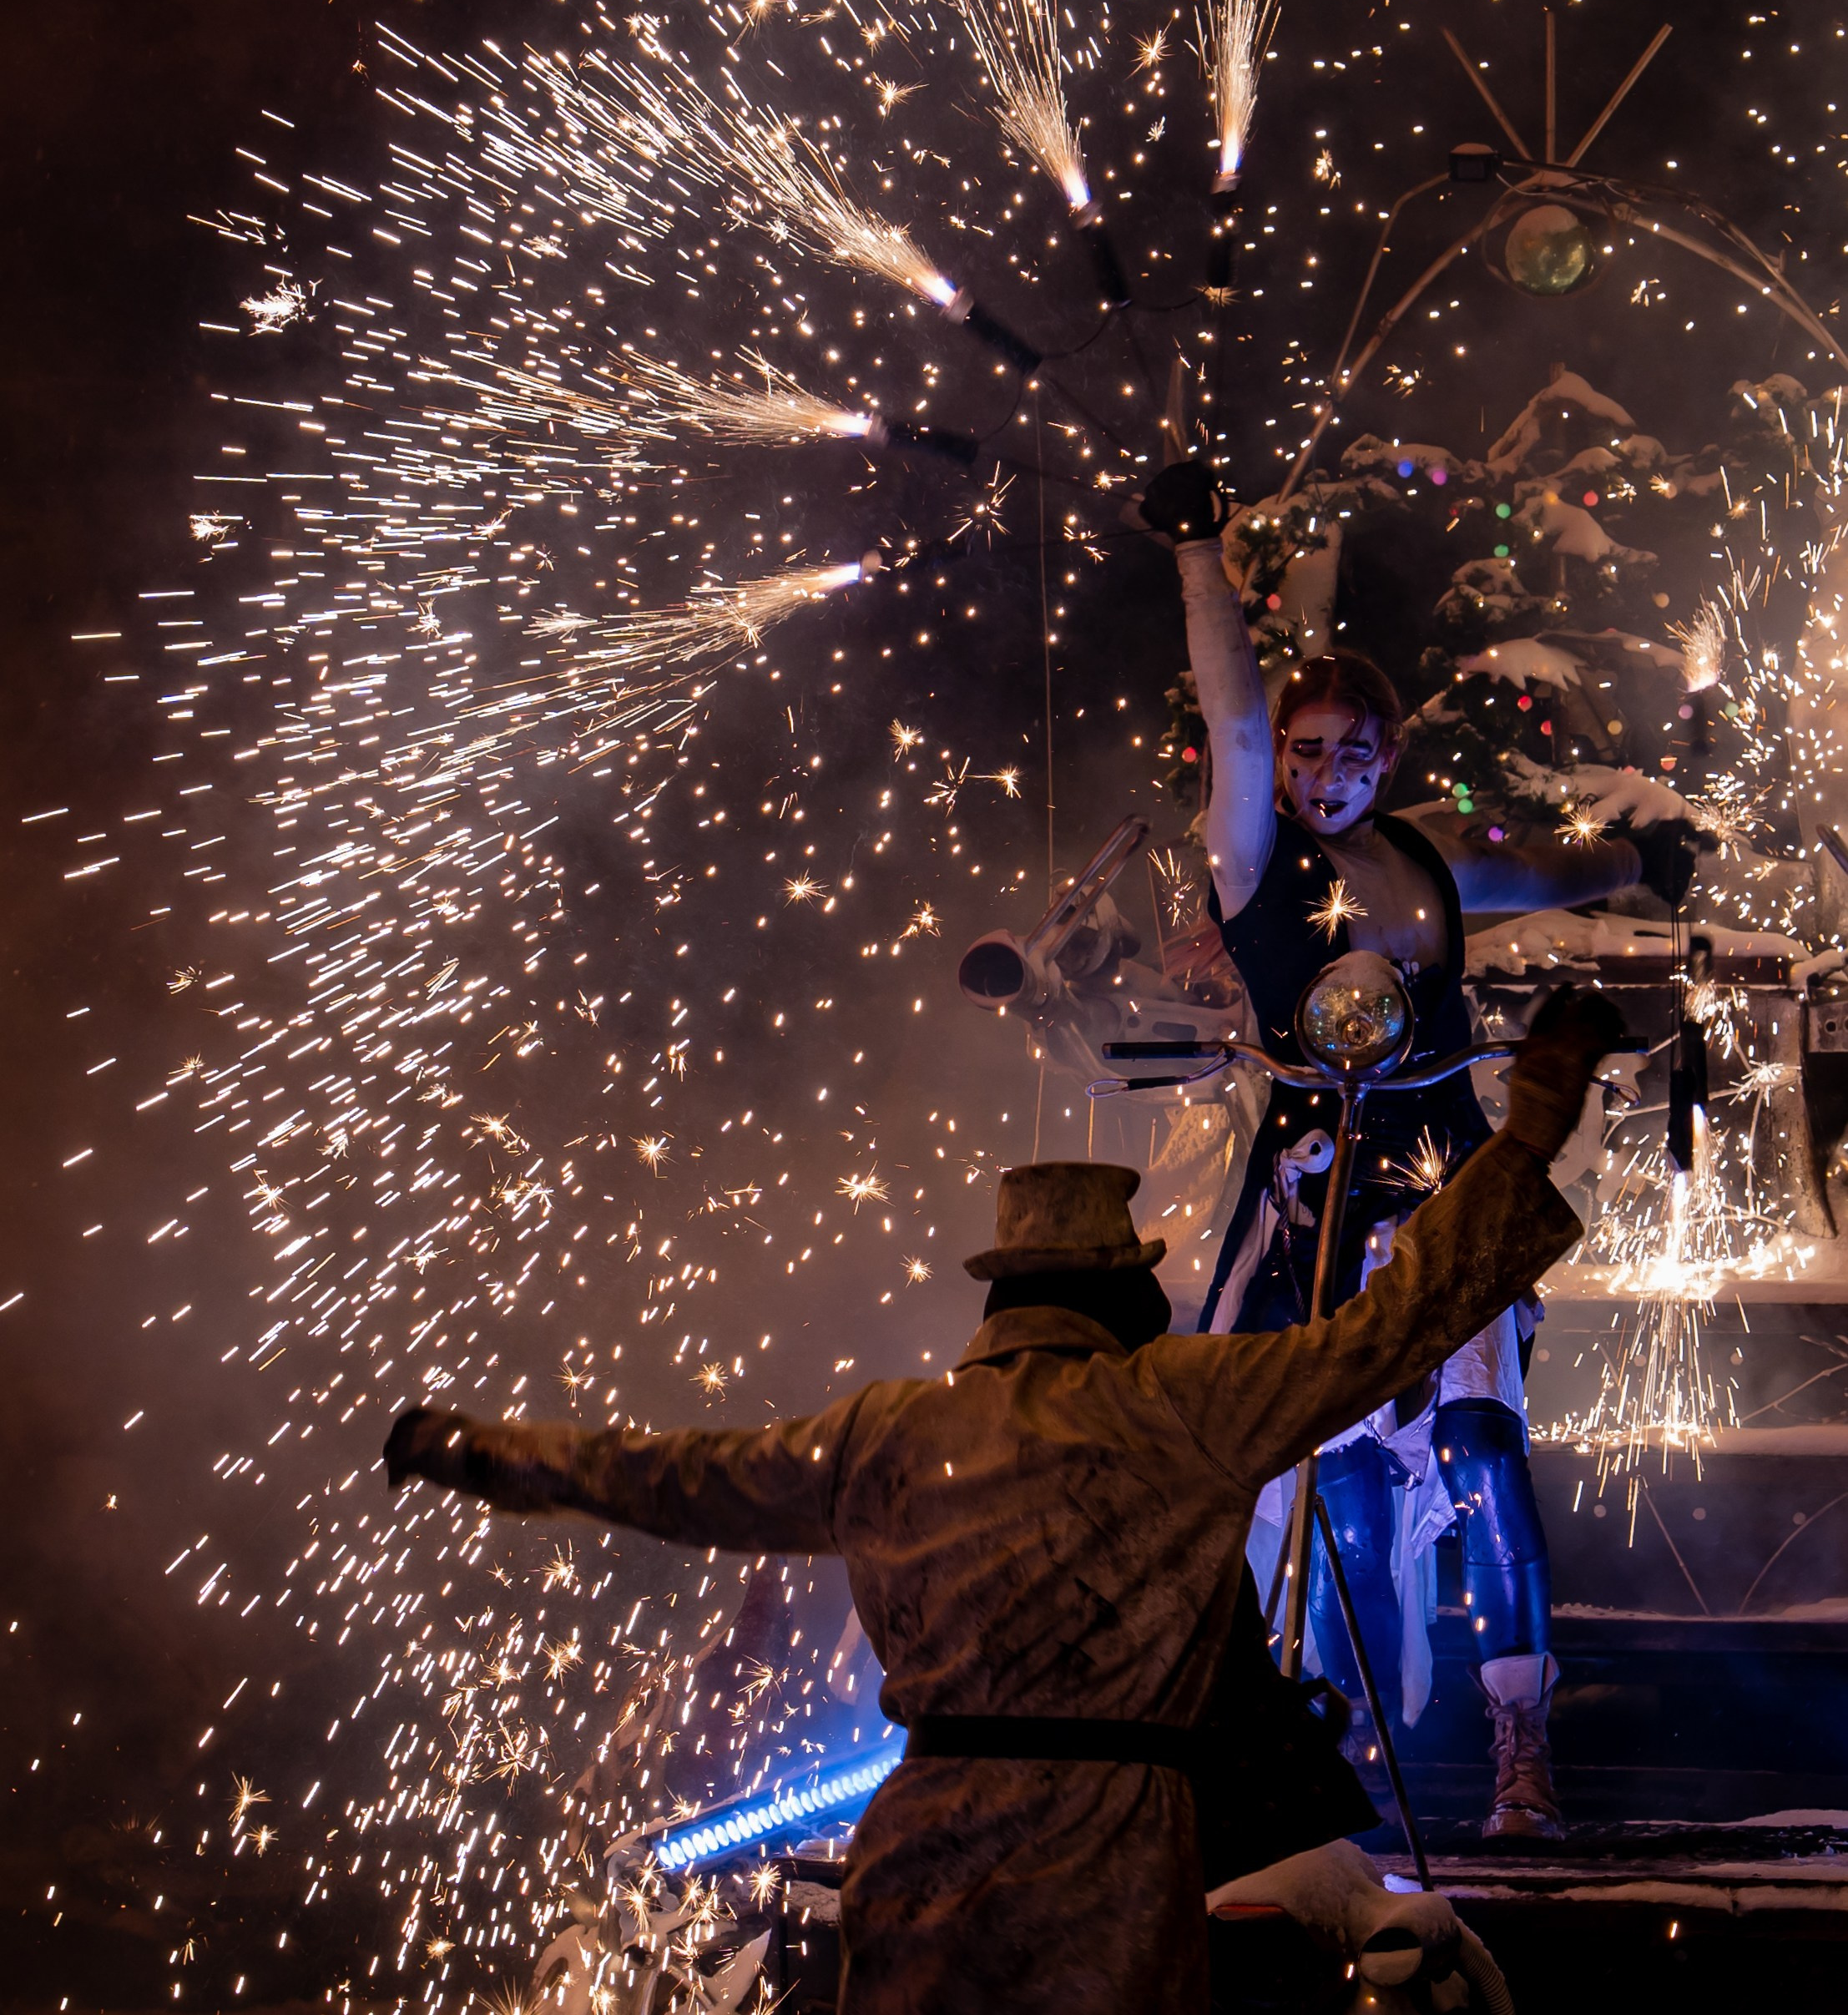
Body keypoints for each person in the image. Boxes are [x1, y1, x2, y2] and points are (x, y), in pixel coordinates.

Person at [384, 987, 1622, 2015]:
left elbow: (666, 1477)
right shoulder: (1183, 1403)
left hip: (923, 1855)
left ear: (1002, 1301)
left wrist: (485, 1456)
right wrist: (1524, 1136)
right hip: (1111, 1854)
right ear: (1119, 1296)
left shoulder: (884, 1432)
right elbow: (1389, 1328)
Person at [1139, 454, 1689, 1840]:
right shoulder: (1253, 855)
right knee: (1328, 1487)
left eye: (1350, 753)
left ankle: (1519, 1751)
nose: (1322, 774)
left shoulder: (1426, 855)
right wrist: (1199, 554)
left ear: (1386, 759)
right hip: (1313, 1224)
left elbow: (1547, 867)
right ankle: (1342, 1760)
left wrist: (1641, 861)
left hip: (1444, 1210)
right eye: (1305, 750)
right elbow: (1232, 720)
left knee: (1482, 1454)